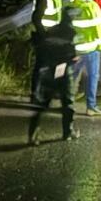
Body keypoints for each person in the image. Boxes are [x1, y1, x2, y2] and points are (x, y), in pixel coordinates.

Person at [29, 15, 77, 145]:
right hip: (63, 70)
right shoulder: (72, 33)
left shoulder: (51, 31)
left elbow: (42, 50)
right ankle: (67, 133)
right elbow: (72, 55)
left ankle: (33, 135)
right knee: (68, 102)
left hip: (47, 70)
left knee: (42, 104)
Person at [69, 0, 101, 115]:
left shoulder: (71, 4)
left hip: (75, 48)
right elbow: (99, 29)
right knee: (93, 76)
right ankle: (91, 107)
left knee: (72, 76)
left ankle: (68, 103)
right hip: (91, 48)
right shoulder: (92, 6)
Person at [30, 0, 65, 105]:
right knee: (42, 66)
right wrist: (44, 35)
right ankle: (36, 94)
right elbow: (36, 18)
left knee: (58, 64)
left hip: (54, 37)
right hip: (45, 37)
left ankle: (52, 91)